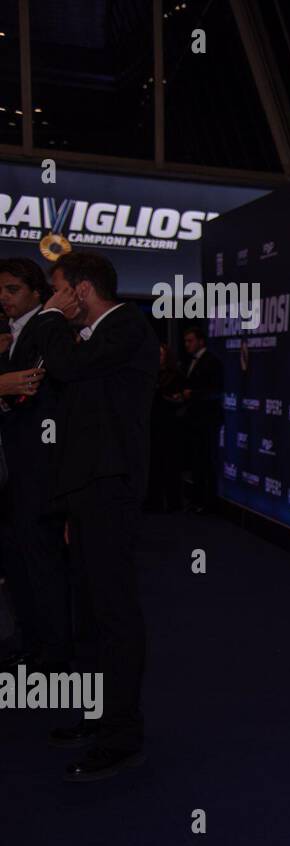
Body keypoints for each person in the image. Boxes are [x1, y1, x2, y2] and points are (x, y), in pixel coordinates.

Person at [31, 251, 159, 781]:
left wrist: (48, 319)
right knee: (89, 614)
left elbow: (65, 368)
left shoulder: (127, 325)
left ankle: (121, 735)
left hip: (112, 491)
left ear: (81, 290)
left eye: (58, 289)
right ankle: (98, 716)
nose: (53, 299)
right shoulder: (94, 336)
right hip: (87, 493)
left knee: (114, 613)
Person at [0, 257, 70, 674]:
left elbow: (35, 399)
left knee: (41, 562)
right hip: (12, 472)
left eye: (12, 289)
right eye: (0, 290)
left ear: (37, 292)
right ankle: (30, 640)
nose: (3, 297)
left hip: (37, 471)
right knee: (17, 562)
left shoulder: (47, 329)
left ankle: (53, 650)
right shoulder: (12, 335)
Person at [179, 325, 222, 513]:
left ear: (201, 341)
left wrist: (192, 394)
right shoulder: (190, 361)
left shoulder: (212, 361)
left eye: (190, 341)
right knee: (196, 460)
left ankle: (208, 502)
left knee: (207, 461)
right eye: (185, 341)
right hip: (194, 420)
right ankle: (197, 500)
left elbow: (216, 390)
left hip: (207, 420)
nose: (186, 344)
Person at [146, 343, 185, 512]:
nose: (158, 357)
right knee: (154, 464)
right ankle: (154, 501)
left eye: (161, 354)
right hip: (153, 425)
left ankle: (173, 503)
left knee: (170, 465)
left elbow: (176, 398)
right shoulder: (151, 374)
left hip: (169, 426)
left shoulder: (175, 375)